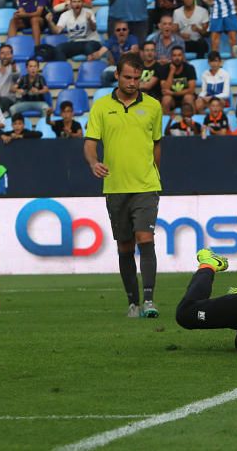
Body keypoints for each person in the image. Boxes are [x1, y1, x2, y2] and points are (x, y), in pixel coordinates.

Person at [84, 52, 164, 319]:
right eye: (127, 77)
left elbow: (156, 144)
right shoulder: (100, 107)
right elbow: (90, 143)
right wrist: (94, 162)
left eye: (136, 78)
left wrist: (152, 173)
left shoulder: (153, 106)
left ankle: (150, 301)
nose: (132, 82)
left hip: (145, 186)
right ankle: (133, 302)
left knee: (146, 238)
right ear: (116, 75)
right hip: (115, 187)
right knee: (125, 246)